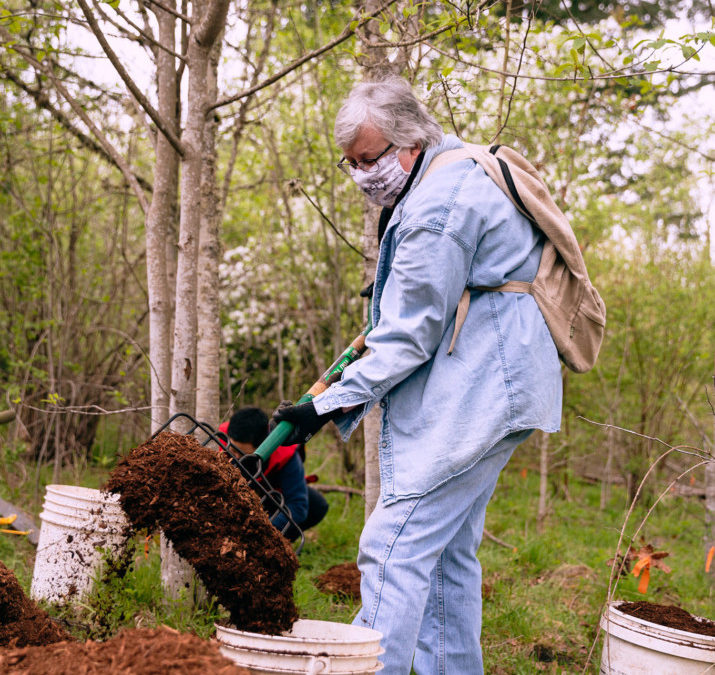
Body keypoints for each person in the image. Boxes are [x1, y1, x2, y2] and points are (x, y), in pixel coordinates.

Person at [273, 76, 562, 674]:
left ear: (409, 142)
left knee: (392, 546)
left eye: (370, 159)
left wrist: (324, 406)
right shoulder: (452, 170)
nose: (361, 175)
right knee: (448, 556)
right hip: (501, 385)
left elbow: (411, 333)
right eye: (350, 164)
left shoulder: (437, 206)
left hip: (486, 388)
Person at [218, 406, 328, 541]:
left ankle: (278, 544)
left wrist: (261, 532)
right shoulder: (224, 436)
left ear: (262, 445)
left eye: (240, 453)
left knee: (317, 506)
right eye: (232, 449)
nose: (234, 456)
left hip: (271, 491)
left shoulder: (285, 454)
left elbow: (298, 506)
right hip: (237, 492)